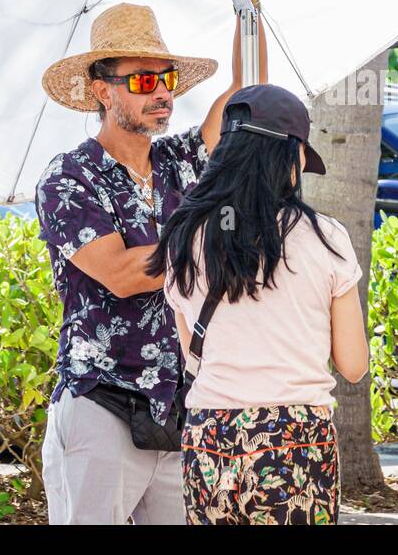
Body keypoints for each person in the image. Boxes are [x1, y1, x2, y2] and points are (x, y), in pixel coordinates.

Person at [35, 0, 266, 525]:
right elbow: (122, 274)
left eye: (165, 79)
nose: (161, 92)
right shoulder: (69, 176)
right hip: (101, 403)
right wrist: (215, 247)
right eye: (142, 82)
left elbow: (249, 91)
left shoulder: (181, 160)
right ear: (100, 91)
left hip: (178, 403)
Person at [154, 84, 369, 525]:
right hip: (294, 440)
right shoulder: (325, 237)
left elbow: (192, 356)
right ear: (289, 158)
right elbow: (353, 365)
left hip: (208, 435)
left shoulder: (184, 236)